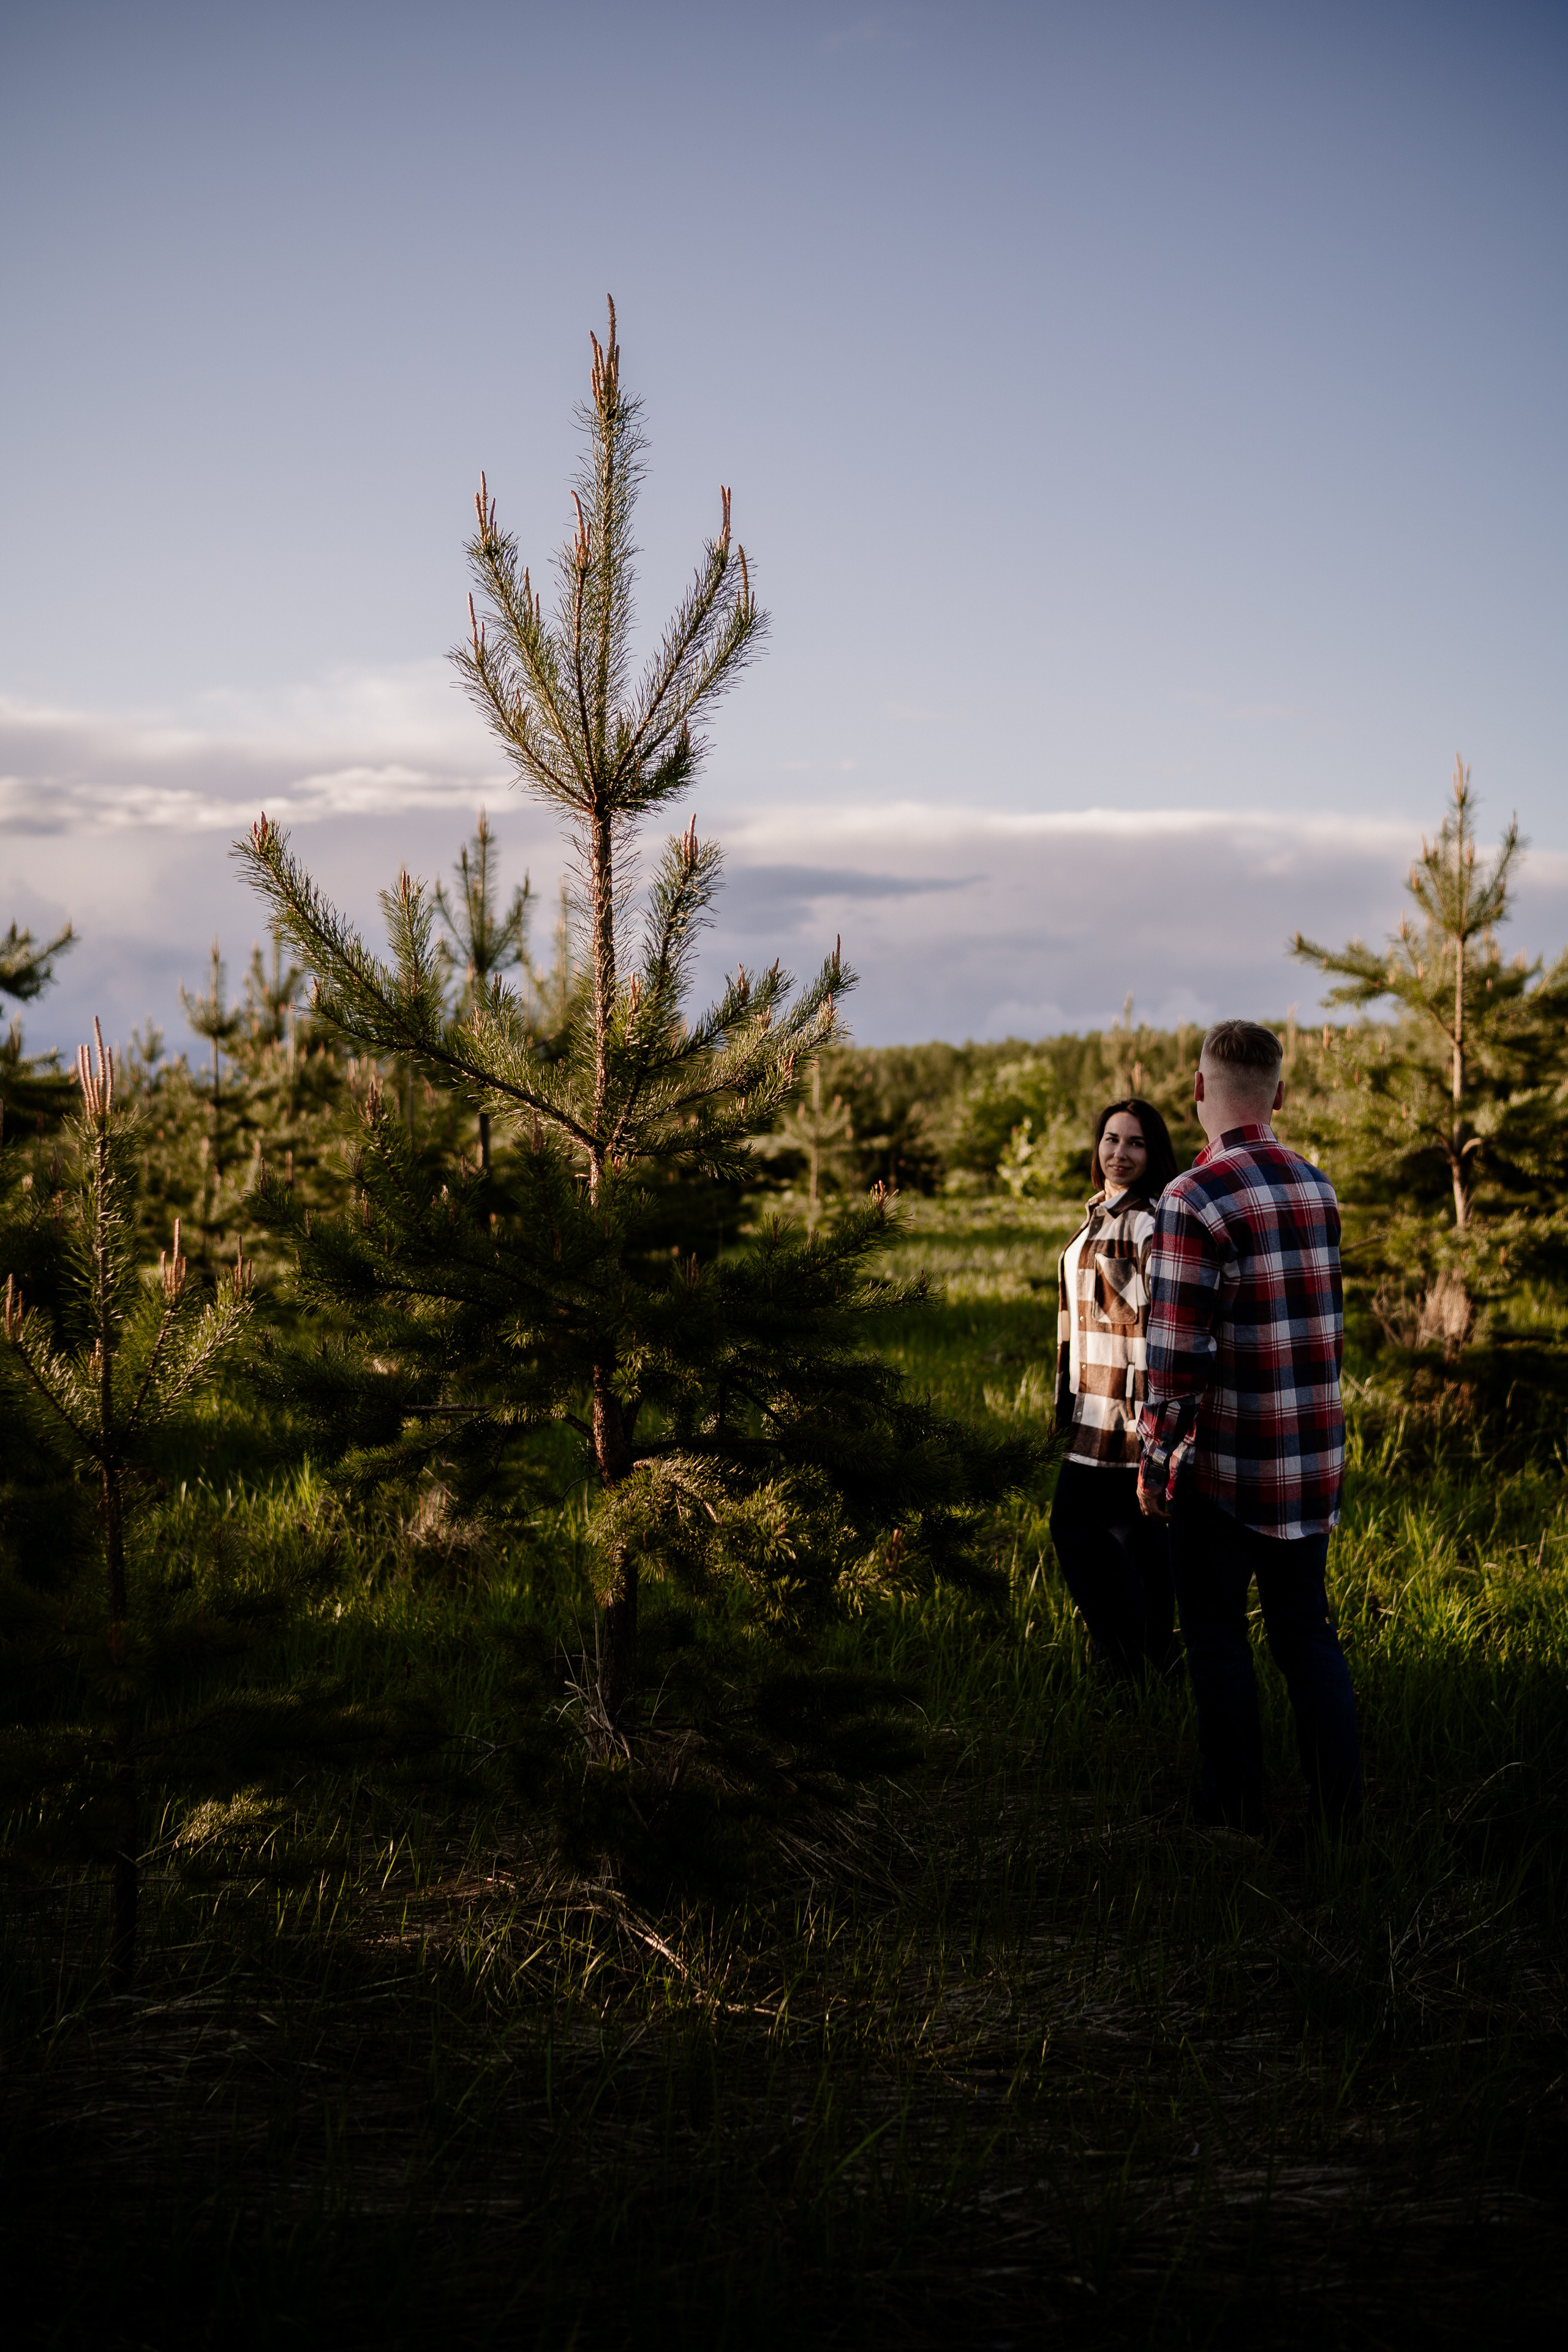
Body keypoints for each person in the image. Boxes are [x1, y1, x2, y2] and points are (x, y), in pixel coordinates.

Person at [1137, 1019, 1362, 1835]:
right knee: (1307, 1631)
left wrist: (1157, 1465)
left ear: (1199, 1090)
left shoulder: (1191, 1198)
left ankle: (1233, 1809)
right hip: (1309, 1458)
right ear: (1281, 1094)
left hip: (1226, 1470)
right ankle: (1341, 1815)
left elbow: (1175, 1359)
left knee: (1219, 1638)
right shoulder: (1317, 1185)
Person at [1051, 1096, 1182, 1680]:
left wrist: (1160, 1417)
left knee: (1076, 1526)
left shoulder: (1149, 1224)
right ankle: (1151, 1658)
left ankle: (1128, 1655)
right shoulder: (1096, 1217)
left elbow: (1167, 1321)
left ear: (1153, 1153)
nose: (1120, 1152)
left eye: (1135, 1142)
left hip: (1129, 1420)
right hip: (1090, 1409)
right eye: (1111, 1139)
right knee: (1135, 1540)